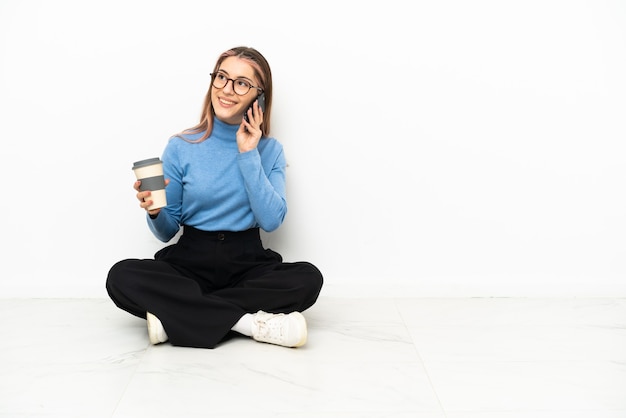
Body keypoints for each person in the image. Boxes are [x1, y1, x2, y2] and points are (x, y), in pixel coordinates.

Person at [106, 46, 323, 349]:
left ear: (258, 96)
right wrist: (155, 212)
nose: (227, 89)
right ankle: (249, 324)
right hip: (190, 261)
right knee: (121, 276)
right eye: (221, 77)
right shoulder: (181, 146)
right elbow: (167, 231)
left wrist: (248, 154)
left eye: (242, 83)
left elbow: (272, 221)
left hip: (247, 261)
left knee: (308, 278)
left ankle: (177, 316)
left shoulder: (270, 151)